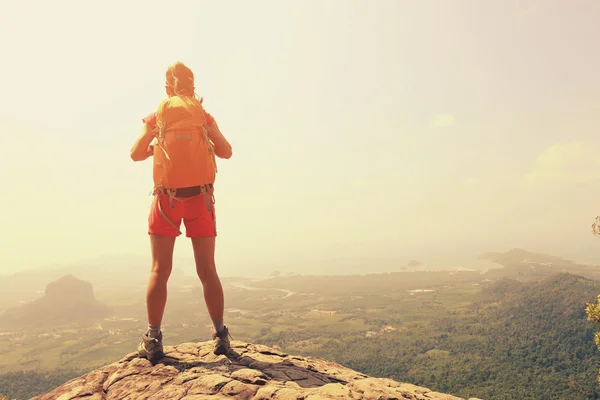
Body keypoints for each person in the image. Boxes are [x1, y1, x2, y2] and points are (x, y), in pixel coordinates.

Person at [130, 61, 233, 361]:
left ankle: (153, 338)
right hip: (200, 200)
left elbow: (135, 152)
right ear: (193, 85)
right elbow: (226, 151)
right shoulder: (202, 115)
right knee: (207, 270)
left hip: (167, 202)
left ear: (167, 88)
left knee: (159, 270)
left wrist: (155, 147)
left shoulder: (158, 115)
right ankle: (220, 335)